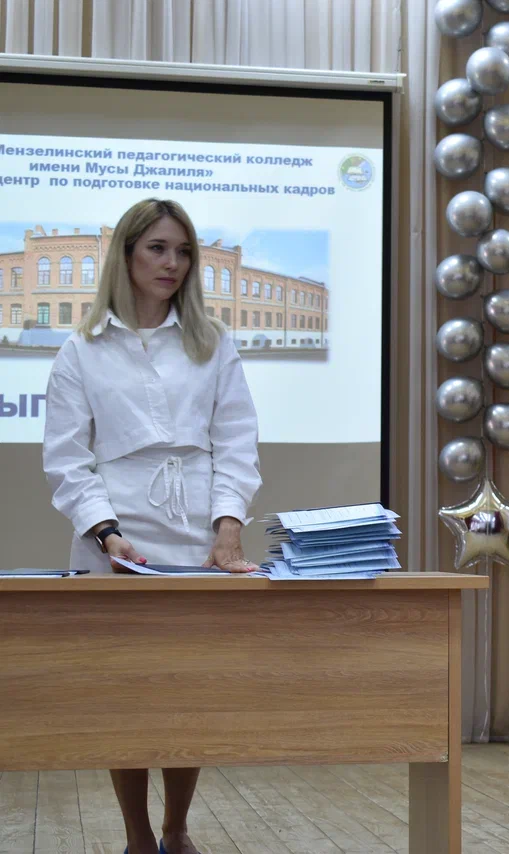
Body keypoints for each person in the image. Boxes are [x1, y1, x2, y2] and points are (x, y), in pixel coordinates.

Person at [42, 197, 263, 854]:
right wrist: (106, 533)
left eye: (183, 251)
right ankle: (138, 837)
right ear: (127, 254)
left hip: (197, 533)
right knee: (125, 695)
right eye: (158, 248)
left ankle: (176, 828)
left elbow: (238, 440)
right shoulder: (80, 349)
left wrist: (228, 528)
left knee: (189, 692)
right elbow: (66, 458)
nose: (173, 263)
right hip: (113, 538)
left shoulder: (213, 342)